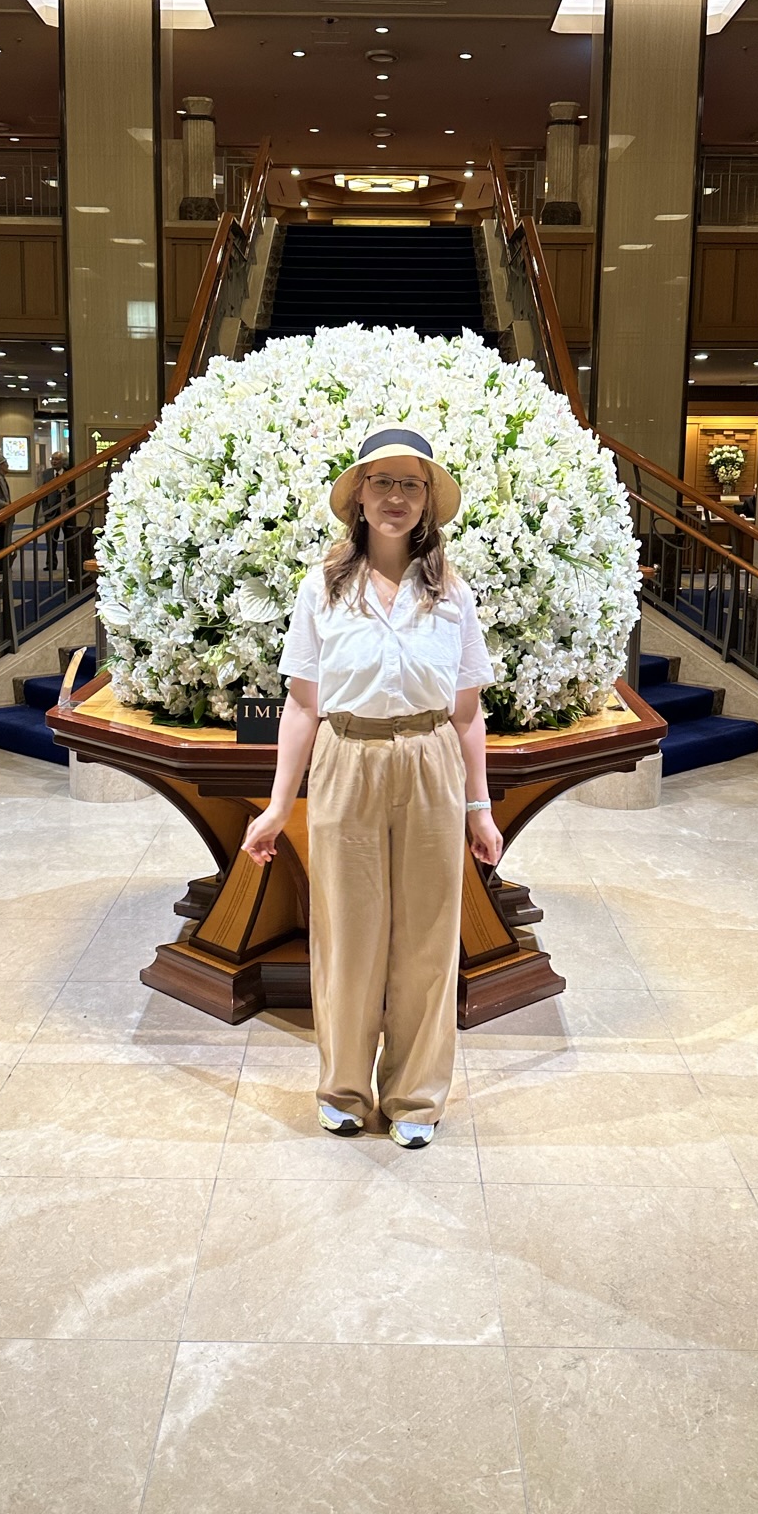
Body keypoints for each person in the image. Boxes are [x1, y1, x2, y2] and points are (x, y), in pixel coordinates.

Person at [242, 427, 504, 1148]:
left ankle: (416, 1098)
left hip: (428, 760)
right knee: (346, 934)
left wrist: (479, 809)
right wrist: (274, 808)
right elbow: (301, 704)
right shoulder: (322, 586)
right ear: (358, 495)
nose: (395, 497)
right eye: (381, 482)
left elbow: (467, 711)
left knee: (426, 937)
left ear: (427, 503)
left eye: (410, 485)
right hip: (345, 757)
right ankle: (345, 1090)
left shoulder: (452, 593)